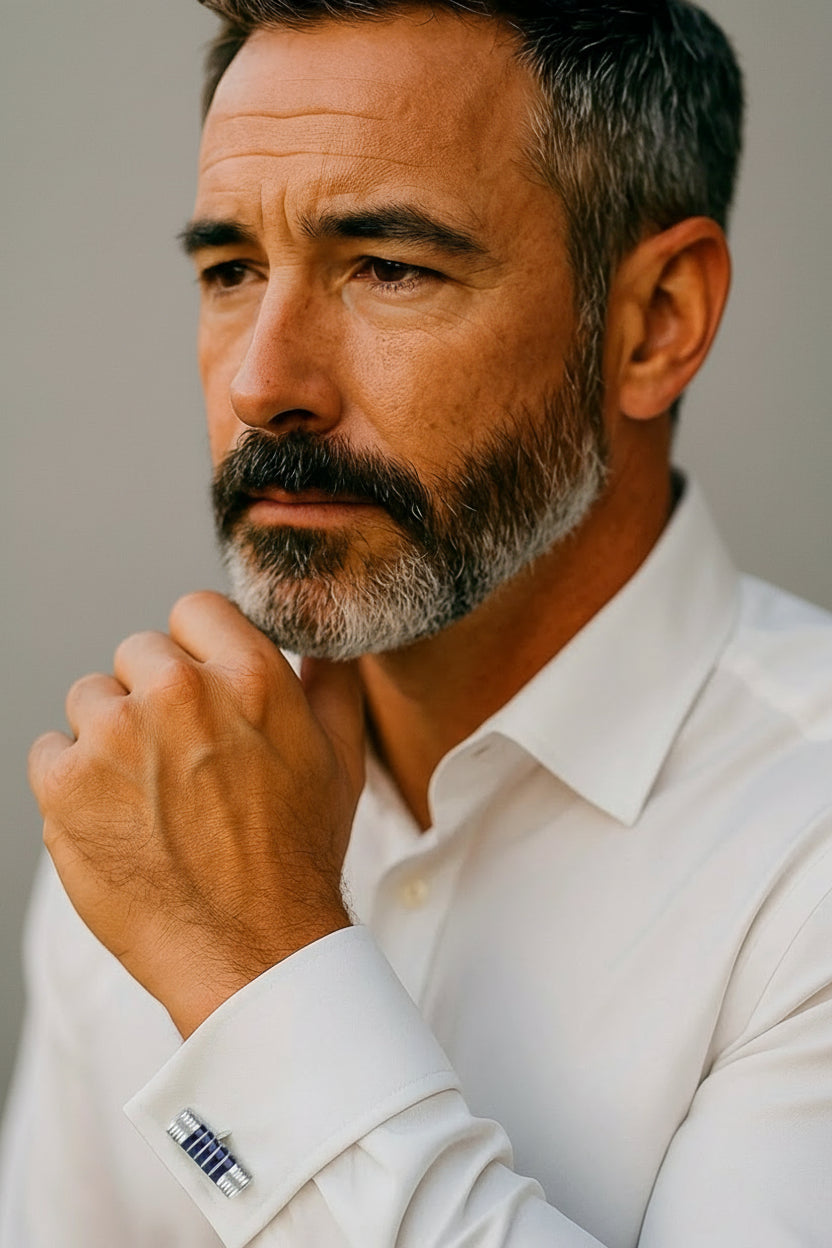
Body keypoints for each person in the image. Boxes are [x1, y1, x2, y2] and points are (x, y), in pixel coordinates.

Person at [2, 0, 831, 1243]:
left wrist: (255, 975)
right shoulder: (159, 797)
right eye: (231, 270)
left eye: (388, 266)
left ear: (656, 319)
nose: (263, 383)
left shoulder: (806, 849)